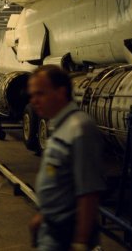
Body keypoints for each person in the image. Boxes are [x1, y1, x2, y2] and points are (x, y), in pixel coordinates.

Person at [27, 65, 106, 251]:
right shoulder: (60, 125)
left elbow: (88, 193)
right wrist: (43, 215)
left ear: (61, 92)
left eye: (40, 94)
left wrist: (80, 243)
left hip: (65, 237)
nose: (34, 101)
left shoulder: (80, 128)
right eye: (32, 95)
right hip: (51, 229)